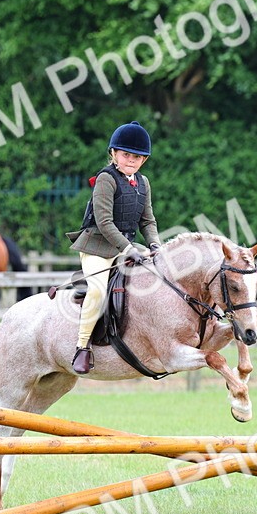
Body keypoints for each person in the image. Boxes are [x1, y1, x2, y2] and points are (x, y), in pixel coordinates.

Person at [65, 121, 161, 374]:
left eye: (137, 157)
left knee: (159, 274)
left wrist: (154, 245)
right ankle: (82, 346)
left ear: (144, 160)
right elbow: (105, 222)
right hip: (98, 245)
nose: (131, 160)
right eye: (126, 154)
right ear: (114, 154)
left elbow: (147, 220)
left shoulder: (143, 182)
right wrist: (128, 248)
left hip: (126, 245)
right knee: (97, 290)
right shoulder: (106, 179)